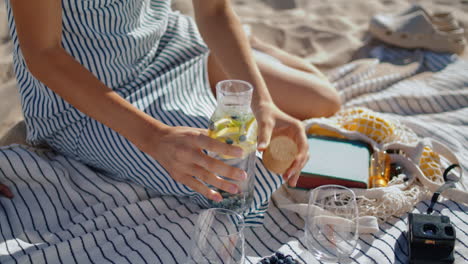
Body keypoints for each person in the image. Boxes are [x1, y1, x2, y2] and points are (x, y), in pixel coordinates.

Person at [2, 0, 340, 216]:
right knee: (235, 184)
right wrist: (154, 137)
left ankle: (244, 45)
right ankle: (239, 54)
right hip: (83, 102)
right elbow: (43, 53)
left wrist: (262, 102)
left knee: (324, 102)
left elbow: (213, 11)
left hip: (172, 47)